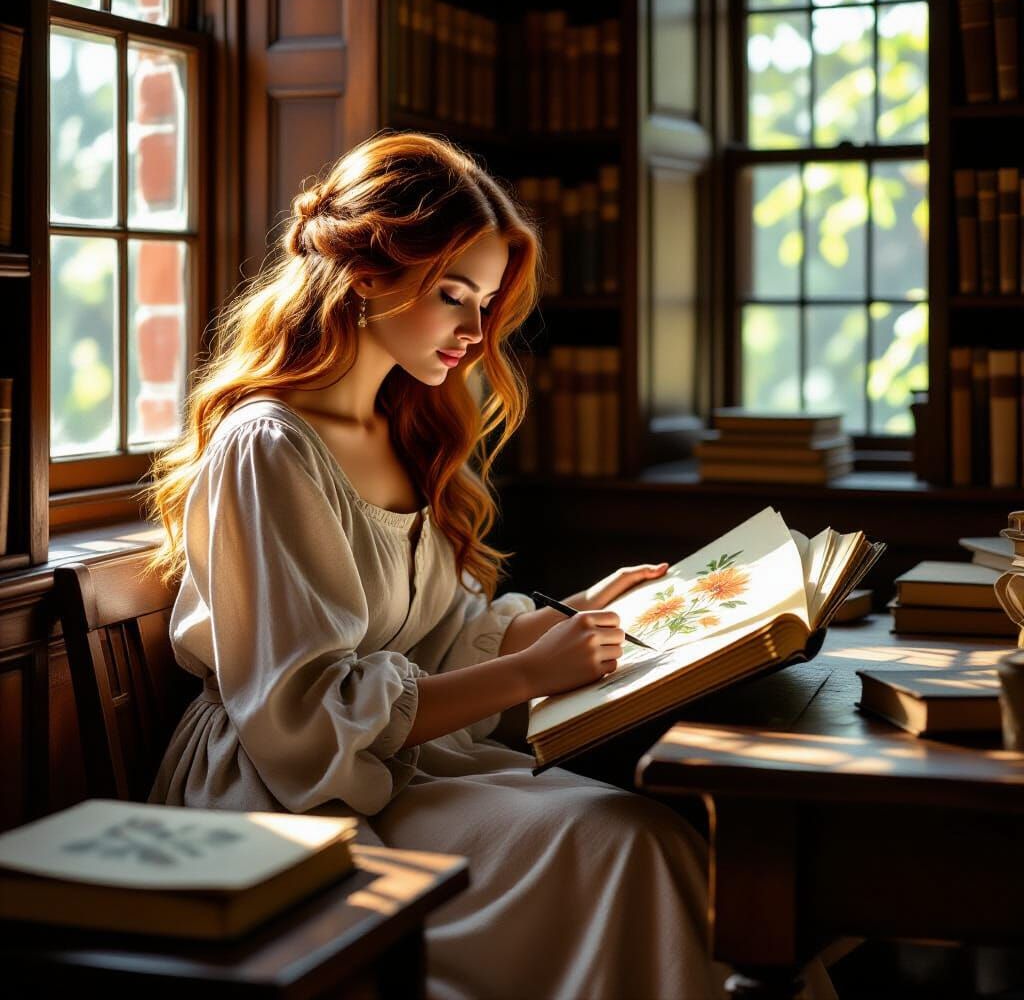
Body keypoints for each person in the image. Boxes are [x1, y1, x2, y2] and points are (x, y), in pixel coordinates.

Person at [141, 130, 837, 1000]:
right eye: (453, 296)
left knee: (650, 837)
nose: (476, 333)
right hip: (289, 798)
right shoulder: (269, 448)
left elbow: (438, 640)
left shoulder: (407, 427)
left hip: (405, 766)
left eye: (488, 302)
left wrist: (560, 618)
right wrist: (528, 673)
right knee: (625, 843)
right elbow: (305, 720)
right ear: (365, 277)